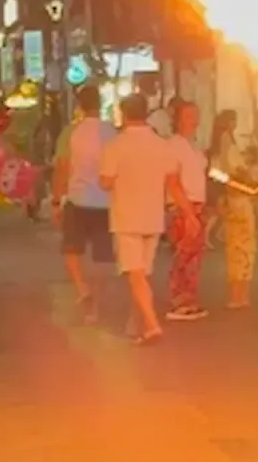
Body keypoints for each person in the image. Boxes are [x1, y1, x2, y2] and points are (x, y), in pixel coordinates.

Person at [99, 92, 196, 344]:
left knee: (136, 274)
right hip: (153, 218)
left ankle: (151, 325)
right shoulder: (162, 146)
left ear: (123, 113)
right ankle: (138, 321)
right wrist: (190, 215)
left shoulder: (115, 146)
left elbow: (106, 182)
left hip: (126, 218)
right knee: (142, 274)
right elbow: (174, 185)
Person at [51, 84, 116, 323]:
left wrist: (56, 201)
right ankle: (95, 306)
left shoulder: (71, 132)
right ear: (100, 104)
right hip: (106, 202)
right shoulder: (112, 132)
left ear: (79, 105)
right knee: (103, 258)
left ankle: (82, 289)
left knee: (71, 250)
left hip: (77, 200)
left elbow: (61, 168)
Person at [210, 109, 257, 309]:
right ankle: (240, 294)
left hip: (229, 198)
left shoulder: (217, 146)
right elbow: (237, 171)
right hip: (239, 197)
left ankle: (236, 294)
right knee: (244, 245)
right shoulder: (229, 144)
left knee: (234, 247)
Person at [166, 101, 208, 321]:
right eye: (189, 114)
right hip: (184, 206)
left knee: (194, 256)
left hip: (198, 205)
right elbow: (173, 182)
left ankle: (190, 299)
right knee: (183, 254)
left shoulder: (195, 145)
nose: (194, 118)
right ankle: (178, 300)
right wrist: (188, 212)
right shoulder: (174, 145)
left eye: (196, 114)